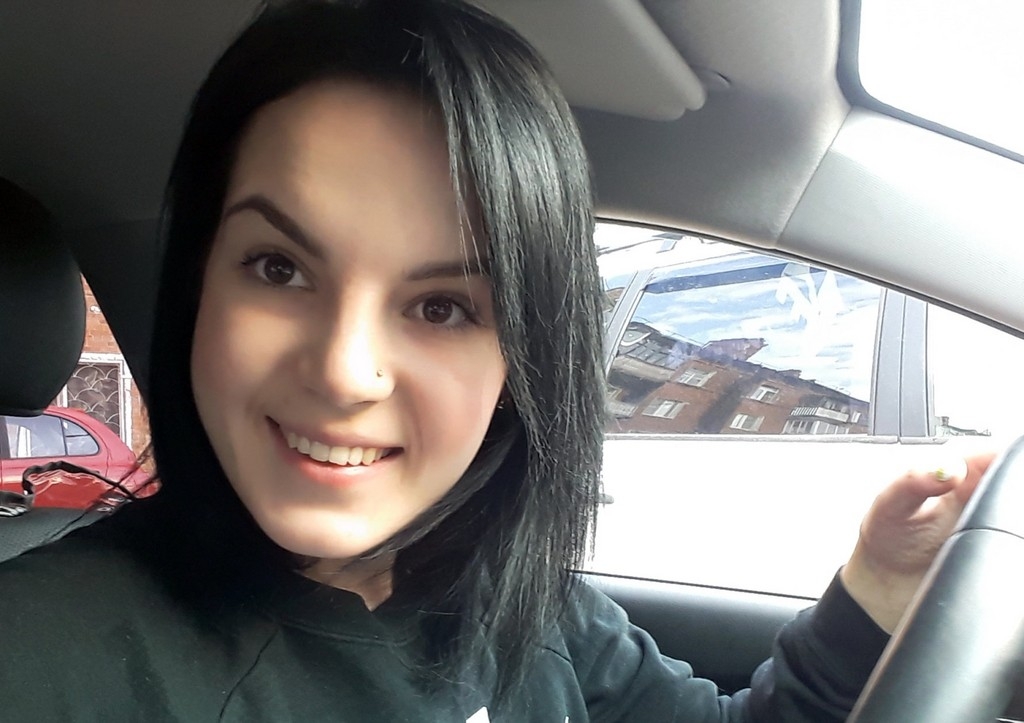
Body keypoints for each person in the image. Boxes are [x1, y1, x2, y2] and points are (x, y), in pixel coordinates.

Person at [0, 1, 996, 720]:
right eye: (279, 267)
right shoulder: (41, 656)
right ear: (197, 287)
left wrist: (880, 578)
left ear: (522, 359)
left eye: (442, 306)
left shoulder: (522, 603)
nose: (345, 371)